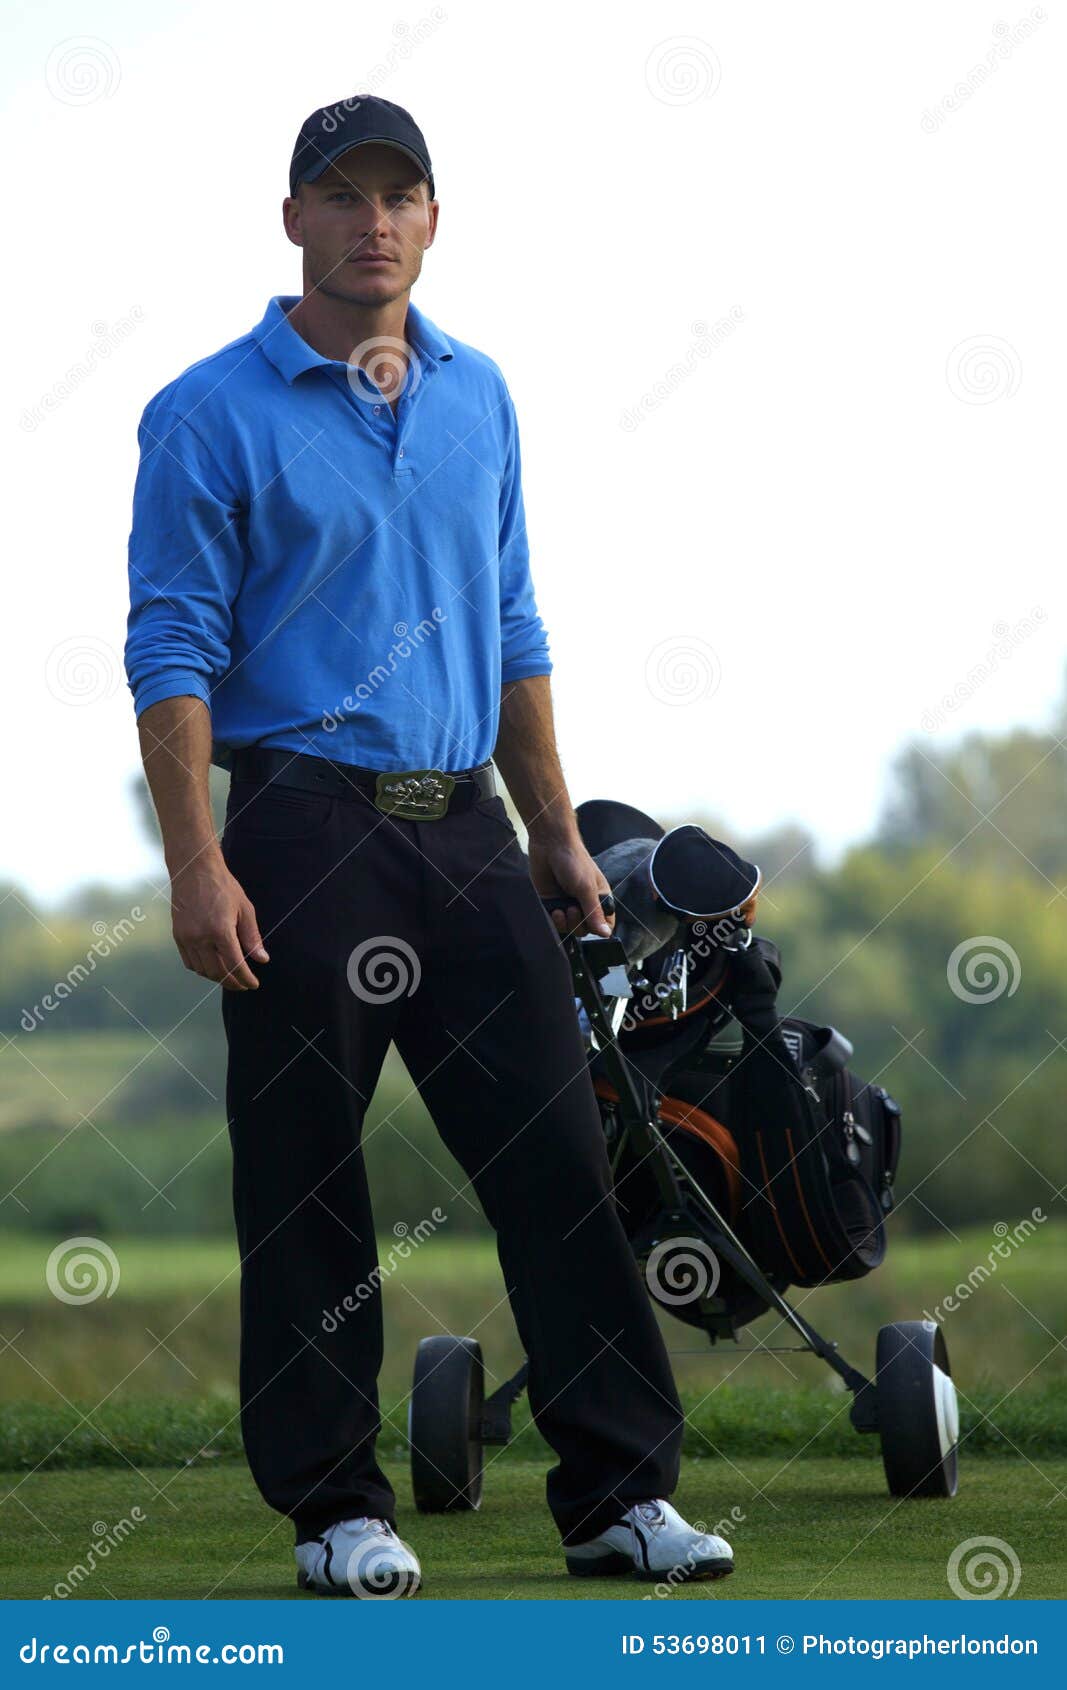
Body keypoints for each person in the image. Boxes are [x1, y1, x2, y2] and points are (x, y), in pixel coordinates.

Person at [124, 93, 734, 1596]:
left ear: (434, 217)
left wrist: (554, 833)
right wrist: (196, 859)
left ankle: (615, 1495)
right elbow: (174, 649)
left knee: (563, 1156)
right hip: (297, 829)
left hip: (463, 828)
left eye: (399, 193)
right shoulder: (209, 411)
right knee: (307, 1174)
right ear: (293, 221)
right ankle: (337, 1506)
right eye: (341, 194)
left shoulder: (481, 396)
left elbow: (514, 622)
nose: (372, 219)